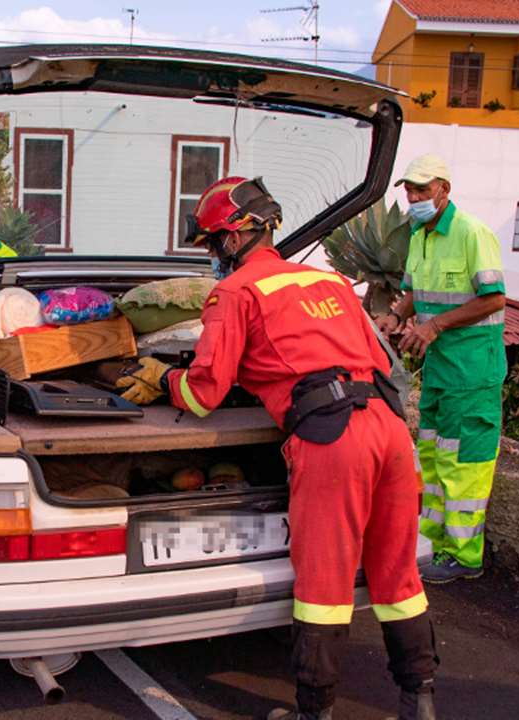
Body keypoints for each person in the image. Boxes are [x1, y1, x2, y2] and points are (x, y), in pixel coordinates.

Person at [116, 177, 438, 720]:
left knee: (324, 582)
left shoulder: (235, 293)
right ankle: (421, 700)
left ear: (236, 237)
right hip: (389, 429)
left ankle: (313, 713)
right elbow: (380, 365)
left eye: (213, 244)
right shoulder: (329, 283)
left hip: (332, 440)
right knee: (398, 575)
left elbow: (203, 392)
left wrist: (160, 377)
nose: (214, 257)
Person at [377, 154, 507, 584]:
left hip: (472, 371)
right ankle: (436, 544)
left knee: (464, 464)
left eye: (421, 189)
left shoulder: (472, 233)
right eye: (409, 190)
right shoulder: (419, 235)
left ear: (443, 190)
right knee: (433, 456)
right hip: (439, 370)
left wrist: (434, 325)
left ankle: (465, 556)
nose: (413, 197)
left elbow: (493, 299)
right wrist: (397, 315)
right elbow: (415, 291)